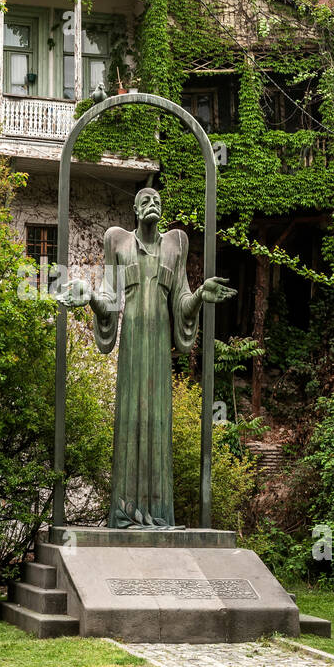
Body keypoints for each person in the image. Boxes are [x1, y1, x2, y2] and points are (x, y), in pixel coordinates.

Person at [56, 187, 235, 528]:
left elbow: (182, 302)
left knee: (158, 422)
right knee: (130, 421)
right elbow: (109, 300)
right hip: (133, 344)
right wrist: (90, 295)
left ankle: (158, 516)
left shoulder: (176, 243)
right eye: (146, 201)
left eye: (157, 201)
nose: (153, 205)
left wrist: (199, 295)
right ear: (135, 209)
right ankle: (126, 514)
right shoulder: (118, 241)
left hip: (159, 346)